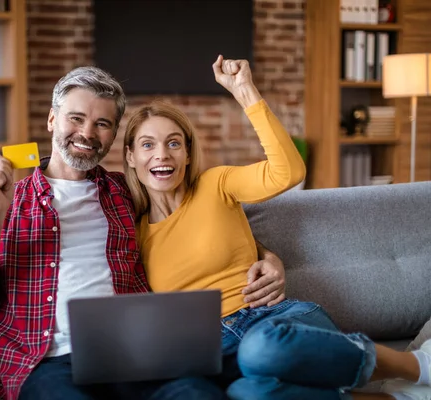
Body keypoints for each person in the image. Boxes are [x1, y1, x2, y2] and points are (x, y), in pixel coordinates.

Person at [0, 65, 285, 400]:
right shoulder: (8, 199)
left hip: (135, 355)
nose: (87, 133)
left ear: (113, 136)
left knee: (197, 394)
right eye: (76, 118)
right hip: (47, 362)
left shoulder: (125, 193)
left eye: (102, 123)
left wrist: (266, 256)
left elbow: (196, 220)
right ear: (53, 120)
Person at [122, 55, 431, 400]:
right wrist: (266, 252)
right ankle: (392, 397)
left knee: (261, 348)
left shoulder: (216, 184)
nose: (162, 154)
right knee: (249, 394)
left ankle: (417, 367)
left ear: (189, 154)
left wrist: (245, 91)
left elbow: (288, 172)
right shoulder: (133, 233)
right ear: (131, 157)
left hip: (274, 324)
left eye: (174, 143)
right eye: (148, 145)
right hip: (216, 348)